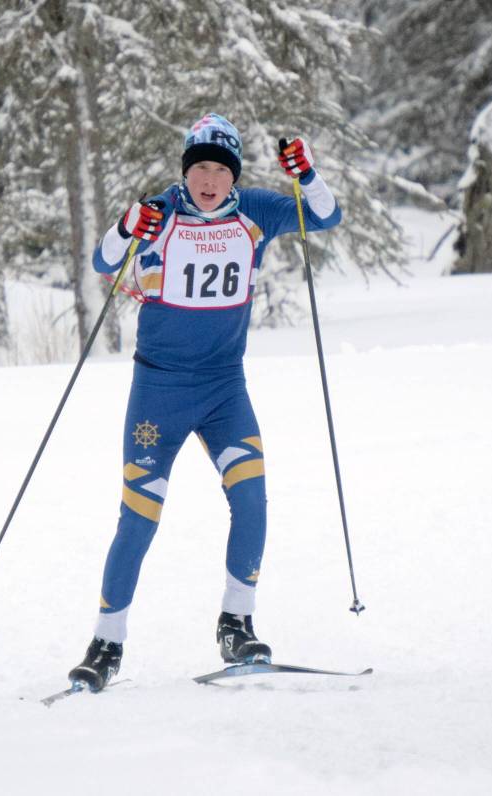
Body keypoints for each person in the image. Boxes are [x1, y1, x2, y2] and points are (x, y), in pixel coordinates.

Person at [68, 113, 342, 691]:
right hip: (158, 393)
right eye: (199, 169)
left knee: (253, 498)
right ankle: (106, 643)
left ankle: (236, 623)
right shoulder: (161, 211)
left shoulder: (256, 212)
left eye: (220, 169)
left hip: (223, 390)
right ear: (185, 172)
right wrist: (126, 225)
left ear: (233, 175)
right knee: (138, 518)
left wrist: (306, 172)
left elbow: (325, 215)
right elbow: (101, 260)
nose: (209, 180)